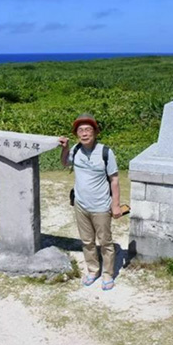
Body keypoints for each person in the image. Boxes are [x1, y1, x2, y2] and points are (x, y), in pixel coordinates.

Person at [59, 113, 121, 290]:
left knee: (106, 242)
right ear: (76, 134)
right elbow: (64, 163)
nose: (84, 133)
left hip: (101, 206)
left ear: (95, 132)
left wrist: (115, 204)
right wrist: (65, 148)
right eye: (80, 130)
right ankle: (93, 270)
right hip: (81, 205)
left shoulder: (105, 152)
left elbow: (114, 179)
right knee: (87, 242)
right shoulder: (76, 150)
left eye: (88, 129)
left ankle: (108, 274)